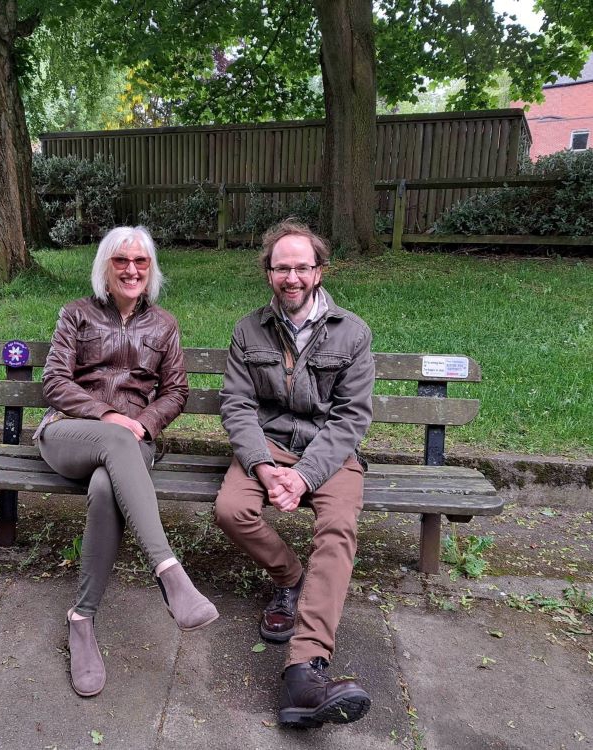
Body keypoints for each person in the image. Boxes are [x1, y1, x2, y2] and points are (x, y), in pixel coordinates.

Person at [36, 225, 218, 698]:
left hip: (132, 442)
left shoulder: (164, 325)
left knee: (104, 487)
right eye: (121, 261)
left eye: (141, 262)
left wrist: (144, 422)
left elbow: (176, 391)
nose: (132, 269)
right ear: (105, 267)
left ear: (151, 269)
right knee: (114, 441)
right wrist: (111, 415)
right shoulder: (76, 314)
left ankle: (81, 619)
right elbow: (55, 382)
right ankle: (169, 573)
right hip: (69, 431)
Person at [214, 219, 375, 728]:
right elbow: (237, 404)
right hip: (267, 448)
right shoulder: (248, 329)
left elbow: (352, 418)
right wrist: (262, 465)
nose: (291, 277)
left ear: (319, 271)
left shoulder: (352, 332)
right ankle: (290, 577)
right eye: (281, 267)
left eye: (301, 267)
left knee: (338, 528)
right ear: (268, 273)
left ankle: (305, 667)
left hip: (329, 455)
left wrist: (303, 477)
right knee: (231, 509)